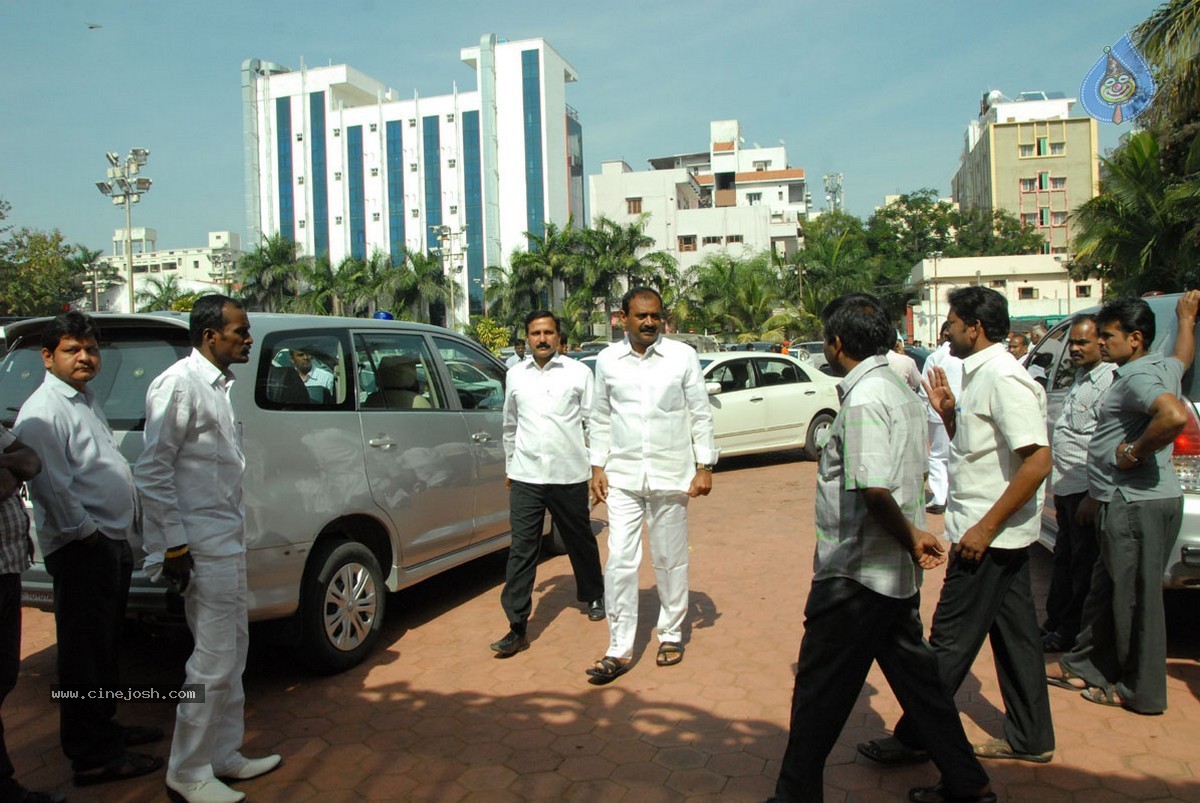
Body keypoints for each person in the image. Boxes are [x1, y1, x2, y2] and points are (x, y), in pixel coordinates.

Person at [766, 294, 994, 803]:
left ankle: (794, 795)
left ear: (836, 344)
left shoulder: (869, 397)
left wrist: (913, 539)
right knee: (923, 689)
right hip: (887, 576)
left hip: (855, 576)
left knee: (817, 695)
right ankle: (968, 783)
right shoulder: (897, 388)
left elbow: (873, 488)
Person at [858, 286, 1054, 766]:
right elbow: (984, 453)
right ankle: (1032, 736)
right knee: (1018, 640)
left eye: (952, 322)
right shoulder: (981, 375)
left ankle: (916, 736)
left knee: (945, 644)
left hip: (985, 538)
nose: (946, 330)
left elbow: (1037, 461)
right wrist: (949, 418)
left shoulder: (1004, 378)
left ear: (975, 327)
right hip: (991, 533)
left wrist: (985, 529)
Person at [135, 295, 281, 803]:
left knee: (234, 652)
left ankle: (224, 755)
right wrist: (174, 545)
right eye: (239, 331)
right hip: (199, 546)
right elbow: (151, 470)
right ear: (209, 336)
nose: (248, 338)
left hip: (225, 539)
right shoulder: (180, 384)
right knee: (212, 660)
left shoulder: (217, 386)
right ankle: (188, 770)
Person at [14, 311, 165, 788]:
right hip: (84, 548)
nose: (84, 357)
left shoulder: (83, 399)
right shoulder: (44, 411)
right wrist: (90, 536)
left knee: (103, 649)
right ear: (48, 356)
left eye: (90, 349)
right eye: (71, 350)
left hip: (107, 542)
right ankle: (91, 755)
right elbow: (52, 489)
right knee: (83, 655)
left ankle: (104, 729)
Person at [1051, 293, 1197, 714]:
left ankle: (1140, 691)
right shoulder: (1158, 365)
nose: (1099, 344)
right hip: (1125, 500)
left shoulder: (1136, 378)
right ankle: (1088, 664)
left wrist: (1132, 451)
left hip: (1135, 504)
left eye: (1107, 336)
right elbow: (1182, 358)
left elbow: (1171, 417)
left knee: (1135, 599)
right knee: (1107, 587)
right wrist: (1186, 320)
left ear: (1134, 339)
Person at [586, 287, 717, 683]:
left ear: (663, 318)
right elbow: (601, 416)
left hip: (671, 474)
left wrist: (705, 464)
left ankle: (672, 632)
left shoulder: (682, 357)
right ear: (622, 318)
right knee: (620, 561)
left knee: (669, 558)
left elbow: (700, 413)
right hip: (623, 476)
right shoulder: (607, 360)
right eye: (641, 316)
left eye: (655, 316)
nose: (648, 322)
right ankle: (618, 647)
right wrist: (597, 466)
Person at [490, 311, 606, 657]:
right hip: (526, 475)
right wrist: (511, 465)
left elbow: (595, 422)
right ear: (527, 337)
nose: (542, 339)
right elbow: (509, 425)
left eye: (548, 333)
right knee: (522, 549)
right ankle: (517, 625)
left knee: (579, 539)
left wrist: (598, 466)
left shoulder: (579, 373)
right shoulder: (514, 376)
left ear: (558, 337)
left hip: (568, 474)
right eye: (536, 333)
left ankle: (593, 593)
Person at [1039, 315, 1115, 653]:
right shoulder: (1082, 379)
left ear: (1102, 342)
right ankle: (1057, 624)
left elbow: (1106, 443)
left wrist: (1097, 494)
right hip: (1067, 488)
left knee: (1082, 568)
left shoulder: (1110, 383)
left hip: (1087, 490)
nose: (1075, 349)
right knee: (1065, 560)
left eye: (1082, 342)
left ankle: (1071, 633)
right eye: (1072, 343)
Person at [0, 426, 56, 803]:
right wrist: (9, 467)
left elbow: (30, 461)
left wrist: (7, 464)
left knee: (4, 678)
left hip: (8, 568)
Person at [918, 323, 962, 516]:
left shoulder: (936, 357)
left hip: (937, 413)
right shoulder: (963, 357)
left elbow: (924, 389)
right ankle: (951, 494)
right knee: (957, 452)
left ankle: (939, 497)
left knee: (938, 455)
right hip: (959, 410)